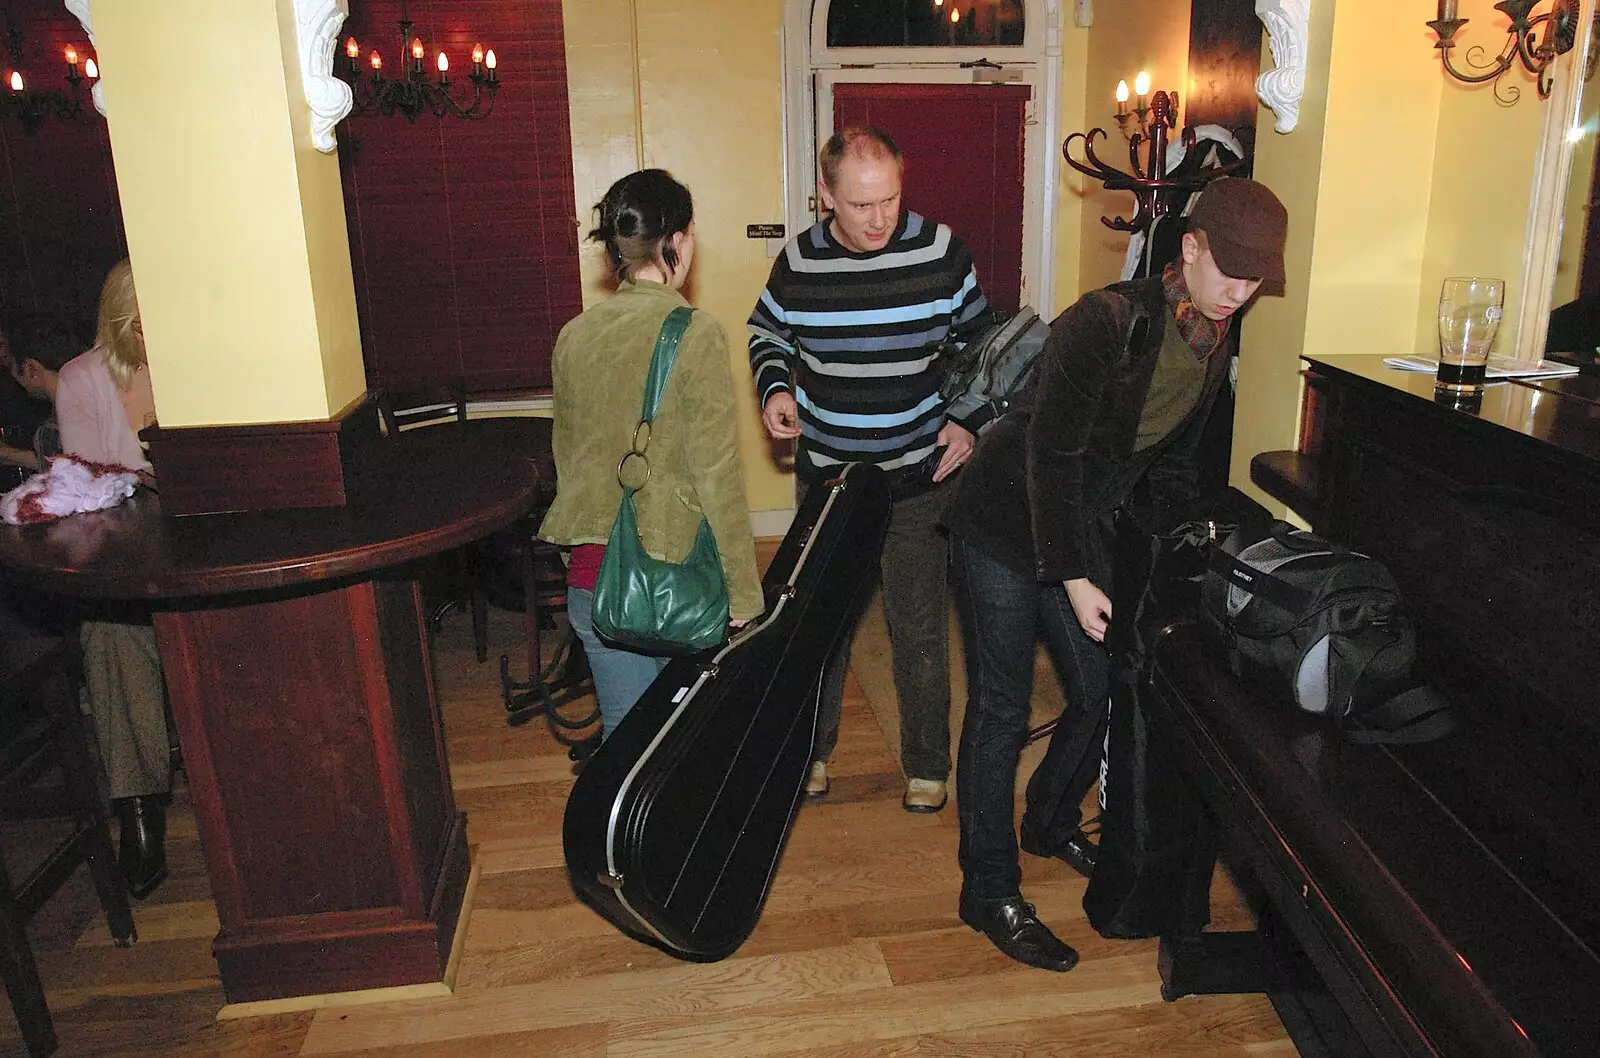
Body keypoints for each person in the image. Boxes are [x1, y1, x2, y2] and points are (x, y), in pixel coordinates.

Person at [942, 177, 1290, 970]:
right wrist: (1072, 575)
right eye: (1228, 268)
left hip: (1077, 522)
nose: (1240, 290)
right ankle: (988, 888)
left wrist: (1180, 561)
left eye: (1255, 278)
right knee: (1001, 706)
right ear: (1190, 249)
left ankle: (1050, 817)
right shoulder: (1105, 320)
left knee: (1100, 689)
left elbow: (1160, 469)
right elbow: (1051, 456)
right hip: (1003, 514)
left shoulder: (1213, 339)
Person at [748, 126, 991, 812]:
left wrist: (968, 417)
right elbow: (768, 333)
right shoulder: (798, 264)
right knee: (820, 624)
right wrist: (775, 388)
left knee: (917, 628)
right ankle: (811, 754)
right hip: (830, 479)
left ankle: (926, 764)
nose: (881, 218)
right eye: (861, 205)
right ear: (826, 195)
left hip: (916, 478)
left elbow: (984, 346)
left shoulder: (943, 253)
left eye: (890, 199)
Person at [539, 169, 763, 740]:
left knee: (624, 746)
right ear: (679, 240)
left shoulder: (574, 334)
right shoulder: (696, 332)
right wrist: (743, 593)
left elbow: (569, 461)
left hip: (594, 580)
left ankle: (614, 832)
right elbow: (718, 474)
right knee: (685, 746)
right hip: (671, 585)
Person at [54, 258, 172, 899]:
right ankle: (138, 805)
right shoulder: (80, 381)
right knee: (109, 630)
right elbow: (86, 490)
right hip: (127, 555)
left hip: (194, 546)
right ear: (127, 322)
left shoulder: (198, 368)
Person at [0, 313, 78, 474]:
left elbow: (75, 477)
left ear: (31, 368)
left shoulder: (56, 427)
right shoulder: (90, 397)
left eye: (12, 363)